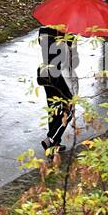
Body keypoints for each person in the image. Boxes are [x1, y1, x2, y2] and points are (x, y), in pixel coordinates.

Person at [36, 25, 78, 155]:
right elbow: (71, 61)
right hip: (60, 75)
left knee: (53, 109)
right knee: (68, 109)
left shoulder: (43, 30)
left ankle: (55, 144)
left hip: (45, 73)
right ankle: (51, 139)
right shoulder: (67, 32)